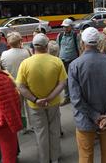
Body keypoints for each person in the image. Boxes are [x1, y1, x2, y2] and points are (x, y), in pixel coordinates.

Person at [69, 27, 106, 163]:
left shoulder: (75, 65)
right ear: (99, 43)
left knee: (86, 156)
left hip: (85, 120)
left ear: (82, 43)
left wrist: (95, 116)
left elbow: (76, 99)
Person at [16, 33, 67, 163]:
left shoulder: (25, 63)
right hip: (53, 102)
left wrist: (35, 100)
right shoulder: (57, 61)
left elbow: (21, 86)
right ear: (46, 46)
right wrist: (50, 97)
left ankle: (44, 159)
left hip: (35, 105)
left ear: (33, 46)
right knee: (54, 130)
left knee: (41, 132)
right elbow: (62, 83)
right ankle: (54, 158)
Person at [1, 32, 32, 132]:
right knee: (30, 106)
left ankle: (22, 127)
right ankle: (32, 125)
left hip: (13, 85)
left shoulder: (4, 54)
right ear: (20, 41)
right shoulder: (26, 52)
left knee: (19, 108)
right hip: (26, 84)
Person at [57, 18, 80, 106]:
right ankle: (67, 97)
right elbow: (58, 47)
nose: (65, 28)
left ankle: (75, 96)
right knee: (64, 80)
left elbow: (79, 48)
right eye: (64, 27)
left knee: (74, 79)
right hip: (62, 61)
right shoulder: (60, 35)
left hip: (73, 61)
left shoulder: (75, 35)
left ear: (71, 27)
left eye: (67, 27)